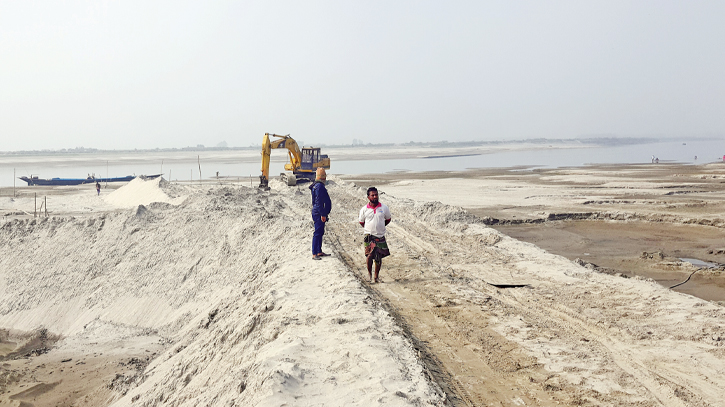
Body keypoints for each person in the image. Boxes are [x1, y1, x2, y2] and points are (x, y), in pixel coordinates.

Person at [358, 187, 391, 283]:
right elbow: (361, 222)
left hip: (380, 236)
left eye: (376, 194)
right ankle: (369, 275)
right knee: (369, 255)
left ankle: (376, 277)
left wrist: (380, 227)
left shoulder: (384, 208)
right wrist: (369, 229)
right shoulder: (364, 209)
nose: (375, 197)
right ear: (368, 197)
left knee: (378, 257)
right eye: (372, 195)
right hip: (369, 236)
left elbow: (388, 219)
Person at [309, 167, 331, 260]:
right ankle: (314, 253)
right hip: (318, 213)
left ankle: (319, 251)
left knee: (321, 232)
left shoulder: (316, 186)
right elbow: (318, 202)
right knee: (317, 232)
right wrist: (322, 214)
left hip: (319, 212)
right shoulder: (319, 187)